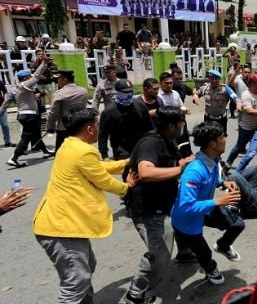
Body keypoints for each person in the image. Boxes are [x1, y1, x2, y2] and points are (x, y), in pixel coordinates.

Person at [33, 107, 138, 303]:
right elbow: (103, 180)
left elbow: (97, 169)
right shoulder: (83, 152)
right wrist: (127, 187)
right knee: (76, 280)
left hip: (63, 224)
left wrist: (126, 162)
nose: (99, 129)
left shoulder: (70, 145)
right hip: (61, 228)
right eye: (97, 125)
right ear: (90, 129)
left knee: (87, 265)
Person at [124, 106, 195, 304]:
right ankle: (135, 294)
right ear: (172, 125)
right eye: (181, 123)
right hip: (149, 209)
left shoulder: (167, 138)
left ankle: (185, 252)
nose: (183, 126)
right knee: (159, 255)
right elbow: (146, 173)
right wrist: (179, 169)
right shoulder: (151, 142)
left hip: (164, 203)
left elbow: (169, 164)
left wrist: (183, 162)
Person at [170, 122, 245, 286]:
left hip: (205, 210)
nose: (226, 139)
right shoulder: (194, 170)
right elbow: (186, 206)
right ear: (212, 143)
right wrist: (218, 201)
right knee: (204, 253)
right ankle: (211, 269)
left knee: (237, 224)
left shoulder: (211, 159)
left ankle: (222, 245)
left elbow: (211, 178)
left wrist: (222, 183)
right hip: (187, 220)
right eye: (222, 137)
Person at [98, 79, 153, 162]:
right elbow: (103, 135)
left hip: (141, 145)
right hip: (121, 149)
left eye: (130, 92)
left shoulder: (140, 105)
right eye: (125, 92)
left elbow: (150, 127)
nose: (128, 95)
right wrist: (105, 155)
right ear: (117, 92)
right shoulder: (109, 111)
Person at [224, 74, 257, 172]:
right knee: (239, 147)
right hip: (247, 127)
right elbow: (249, 111)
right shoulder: (246, 95)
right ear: (252, 84)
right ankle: (227, 165)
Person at [46, 70, 90, 151]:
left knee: (61, 155)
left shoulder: (59, 94)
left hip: (64, 128)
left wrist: (50, 127)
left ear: (65, 80)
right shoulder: (83, 91)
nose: (57, 81)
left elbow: (53, 113)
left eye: (58, 79)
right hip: (80, 127)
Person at [193, 69, 237, 135]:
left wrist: (238, 105)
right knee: (208, 139)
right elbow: (196, 93)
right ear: (209, 79)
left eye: (216, 79)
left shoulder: (225, 88)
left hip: (221, 120)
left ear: (219, 79)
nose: (214, 81)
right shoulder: (205, 88)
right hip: (208, 119)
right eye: (212, 79)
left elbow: (235, 98)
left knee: (221, 139)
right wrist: (195, 97)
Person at [0, 78, 15, 147]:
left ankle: (7, 141)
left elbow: (5, 91)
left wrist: (5, 100)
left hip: (1, 107)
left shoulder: (0, 82)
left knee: (5, 125)